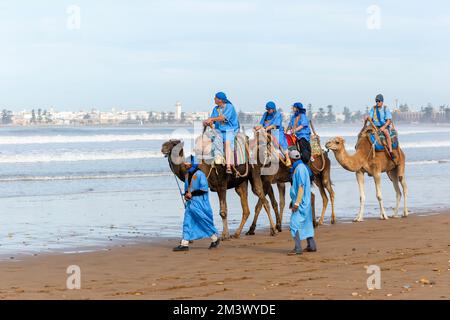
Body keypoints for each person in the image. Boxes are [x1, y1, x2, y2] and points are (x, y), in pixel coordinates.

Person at [173, 155, 220, 252]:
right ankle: (184, 243)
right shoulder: (187, 175)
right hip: (190, 204)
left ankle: (215, 238)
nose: (185, 164)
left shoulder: (200, 174)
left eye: (187, 163)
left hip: (200, 203)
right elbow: (187, 190)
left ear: (192, 164)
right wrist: (186, 194)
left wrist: (192, 194)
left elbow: (204, 190)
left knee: (202, 221)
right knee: (187, 221)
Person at [287, 150, 317, 256]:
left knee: (294, 224)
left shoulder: (298, 169)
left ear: (292, 159)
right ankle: (311, 246)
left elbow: (301, 187)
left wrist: (296, 203)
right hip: (306, 201)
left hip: (301, 202)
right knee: (307, 223)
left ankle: (297, 248)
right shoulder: (303, 167)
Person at [203, 92, 240, 174]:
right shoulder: (215, 109)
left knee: (227, 143)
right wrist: (207, 122)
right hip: (219, 130)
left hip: (230, 129)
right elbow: (212, 120)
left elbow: (222, 118)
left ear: (220, 100)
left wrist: (211, 119)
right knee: (209, 143)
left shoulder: (229, 107)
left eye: (215, 98)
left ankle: (228, 166)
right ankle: (214, 162)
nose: (214, 99)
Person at [254, 101, 291, 167]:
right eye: (267, 109)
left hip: (276, 131)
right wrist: (257, 127)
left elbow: (275, 125)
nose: (268, 111)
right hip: (266, 132)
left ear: (273, 109)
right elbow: (261, 123)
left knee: (280, 142)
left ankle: (287, 158)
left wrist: (267, 128)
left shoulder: (278, 114)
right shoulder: (265, 114)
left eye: (269, 109)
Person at [365, 94, 395, 159]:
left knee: (386, 133)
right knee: (364, 133)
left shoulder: (385, 109)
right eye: (376, 101)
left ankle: (390, 151)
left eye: (378, 101)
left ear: (382, 101)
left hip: (384, 126)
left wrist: (384, 127)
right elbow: (370, 117)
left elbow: (389, 121)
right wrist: (367, 117)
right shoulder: (373, 108)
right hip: (374, 126)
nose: (377, 102)